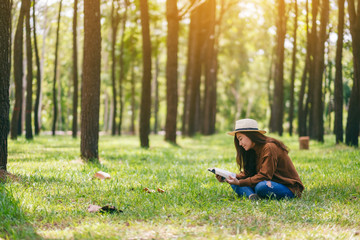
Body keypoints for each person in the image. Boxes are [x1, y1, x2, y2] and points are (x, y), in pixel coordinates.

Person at [216, 118, 304, 200]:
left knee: (261, 187)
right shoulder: (251, 150)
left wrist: (239, 183)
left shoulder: (269, 147)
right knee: (235, 182)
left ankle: (252, 193)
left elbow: (265, 176)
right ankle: (252, 196)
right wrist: (229, 177)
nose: (240, 144)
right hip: (267, 182)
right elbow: (248, 174)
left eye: (241, 139)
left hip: (287, 187)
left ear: (250, 135)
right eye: (238, 140)